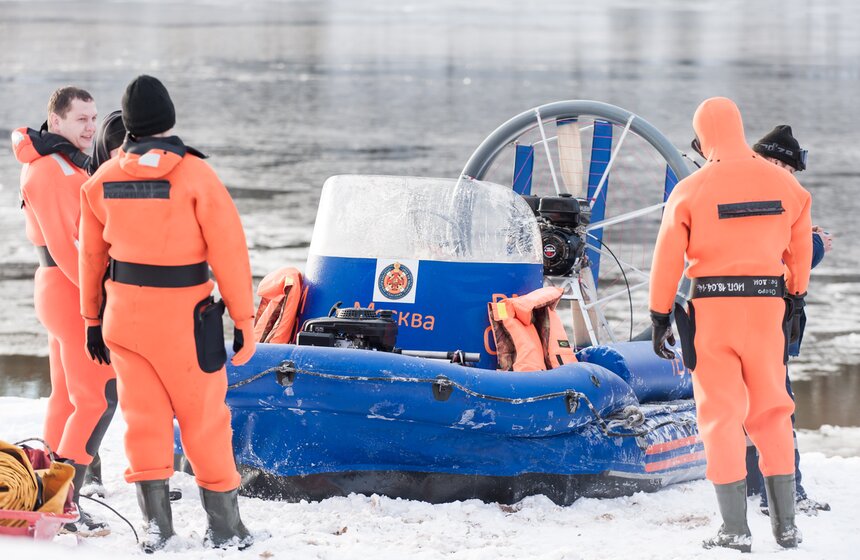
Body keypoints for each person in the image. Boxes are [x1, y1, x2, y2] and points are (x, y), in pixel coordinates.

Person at [78, 75, 256, 552]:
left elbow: (91, 259)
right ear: (170, 118)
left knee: (144, 421)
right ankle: (225, 528)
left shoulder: (102, 180)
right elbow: (230, 253)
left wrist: (91, 319)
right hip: (184, 320)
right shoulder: (196, 175)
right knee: (204, 421)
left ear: (129, 124)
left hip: (124, 320)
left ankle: (158, 527)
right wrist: (244, 319)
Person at [649, 97, 812, 552]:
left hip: (712, 313)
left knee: (721, 419)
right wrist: (795, 300)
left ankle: (735, 530)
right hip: (766, 310)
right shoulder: (787, 186)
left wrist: (660, 314)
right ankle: (787, 527)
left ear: (703, 139)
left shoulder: (691, 189)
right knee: (774, 413)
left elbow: (666, 260)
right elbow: (798, 255)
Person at [11, 86, 117, 536]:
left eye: (93, 119)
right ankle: (63, 499)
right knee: (98, 397)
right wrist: (98, 301)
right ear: (55, 122)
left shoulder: (60, 164)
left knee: (68, 398)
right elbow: (63, 245)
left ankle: (41, 490)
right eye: (81, 120)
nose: (91, 127)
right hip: (67, 289)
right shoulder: (50, 170)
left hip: (58, 288)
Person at [744, 125, 833, 515]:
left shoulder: (737, 188)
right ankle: (784, 494)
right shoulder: (774, 196)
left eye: (791, 170)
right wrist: (815, 246)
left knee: (744, 405)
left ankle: (750, 484)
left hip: (728, 317)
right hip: (767, 320)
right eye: (782, 164)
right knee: (778, 407)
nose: (786, 174)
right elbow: (782, 266)